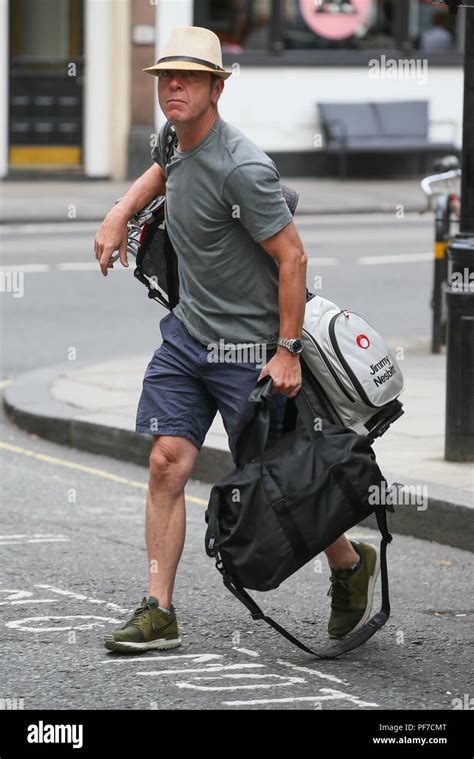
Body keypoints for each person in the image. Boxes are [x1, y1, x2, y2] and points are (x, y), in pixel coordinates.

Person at [94, 26, 379, 654]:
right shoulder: (174, 136)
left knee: (278, 486)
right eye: (166, 76)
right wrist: (120, 211)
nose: (174, 86)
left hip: (250, 354)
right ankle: (159, 610)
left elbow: (294, 259)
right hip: (187, 337)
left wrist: (286, 351)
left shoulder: (244, 166)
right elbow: (165, 167)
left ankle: (349, 563)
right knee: (168, 461)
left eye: (189, 77)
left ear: (217, 87)